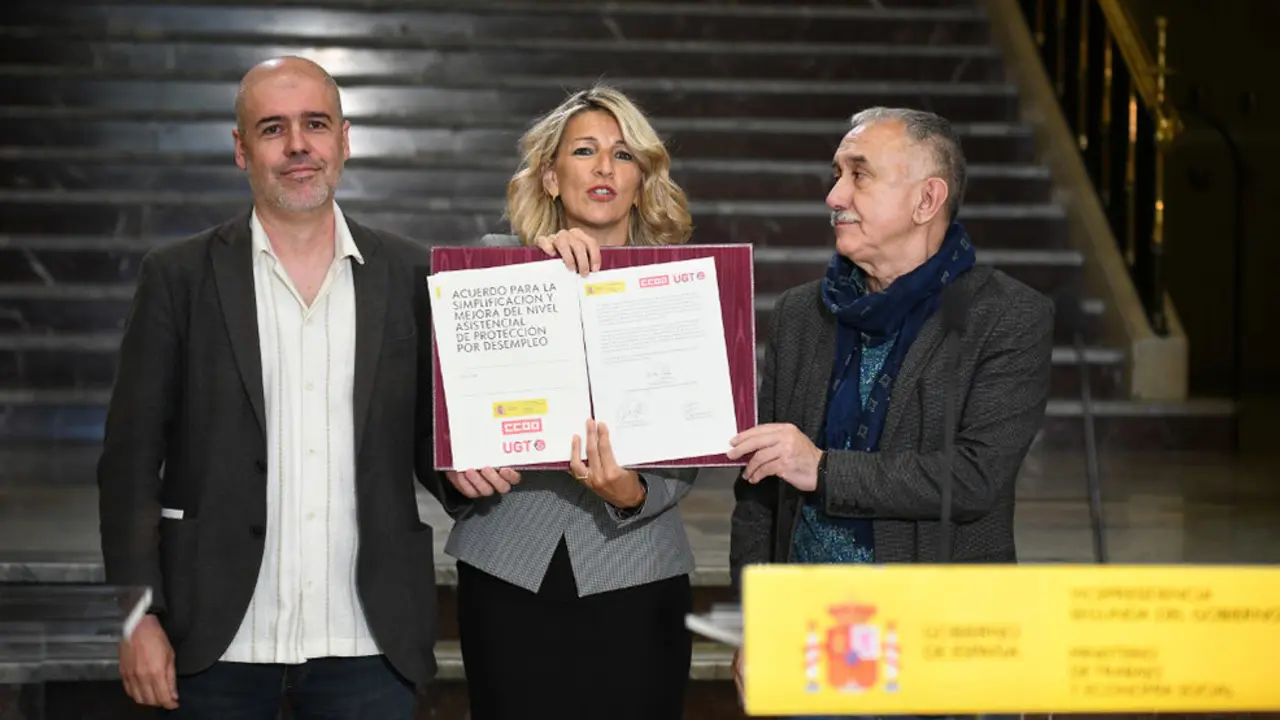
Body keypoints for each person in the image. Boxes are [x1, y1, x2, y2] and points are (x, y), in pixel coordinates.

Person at [98, 57, 453, 719]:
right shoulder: (176, 277)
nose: (297, 145)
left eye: (315, 124)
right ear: (241, 149)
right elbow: (128, 465)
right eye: (272, 128)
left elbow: (440, 451)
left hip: (369, 645)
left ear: (344, 140)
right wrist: (135, 616)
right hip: (216, 645)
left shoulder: (411, 274)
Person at [726, 107, 1054, 716]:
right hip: (809, 641)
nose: (834, 195)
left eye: (859, 175)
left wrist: (823, 469)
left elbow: (974, 478)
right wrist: (754, 621)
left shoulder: (1004, 317)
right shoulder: (803, 314)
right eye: (836, 174)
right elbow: (759, 495)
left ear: (927, 199)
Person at [441, 84, 698, 720]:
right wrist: (537, 268)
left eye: (624, 154)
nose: (606, 167)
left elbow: (694, 436)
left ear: (642, 178)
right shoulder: (491, 267)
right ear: (552, 178)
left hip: (638, 568)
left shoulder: (679, 284)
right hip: (509, 568)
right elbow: (439, 409)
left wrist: (636, 492)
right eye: (585, 151)